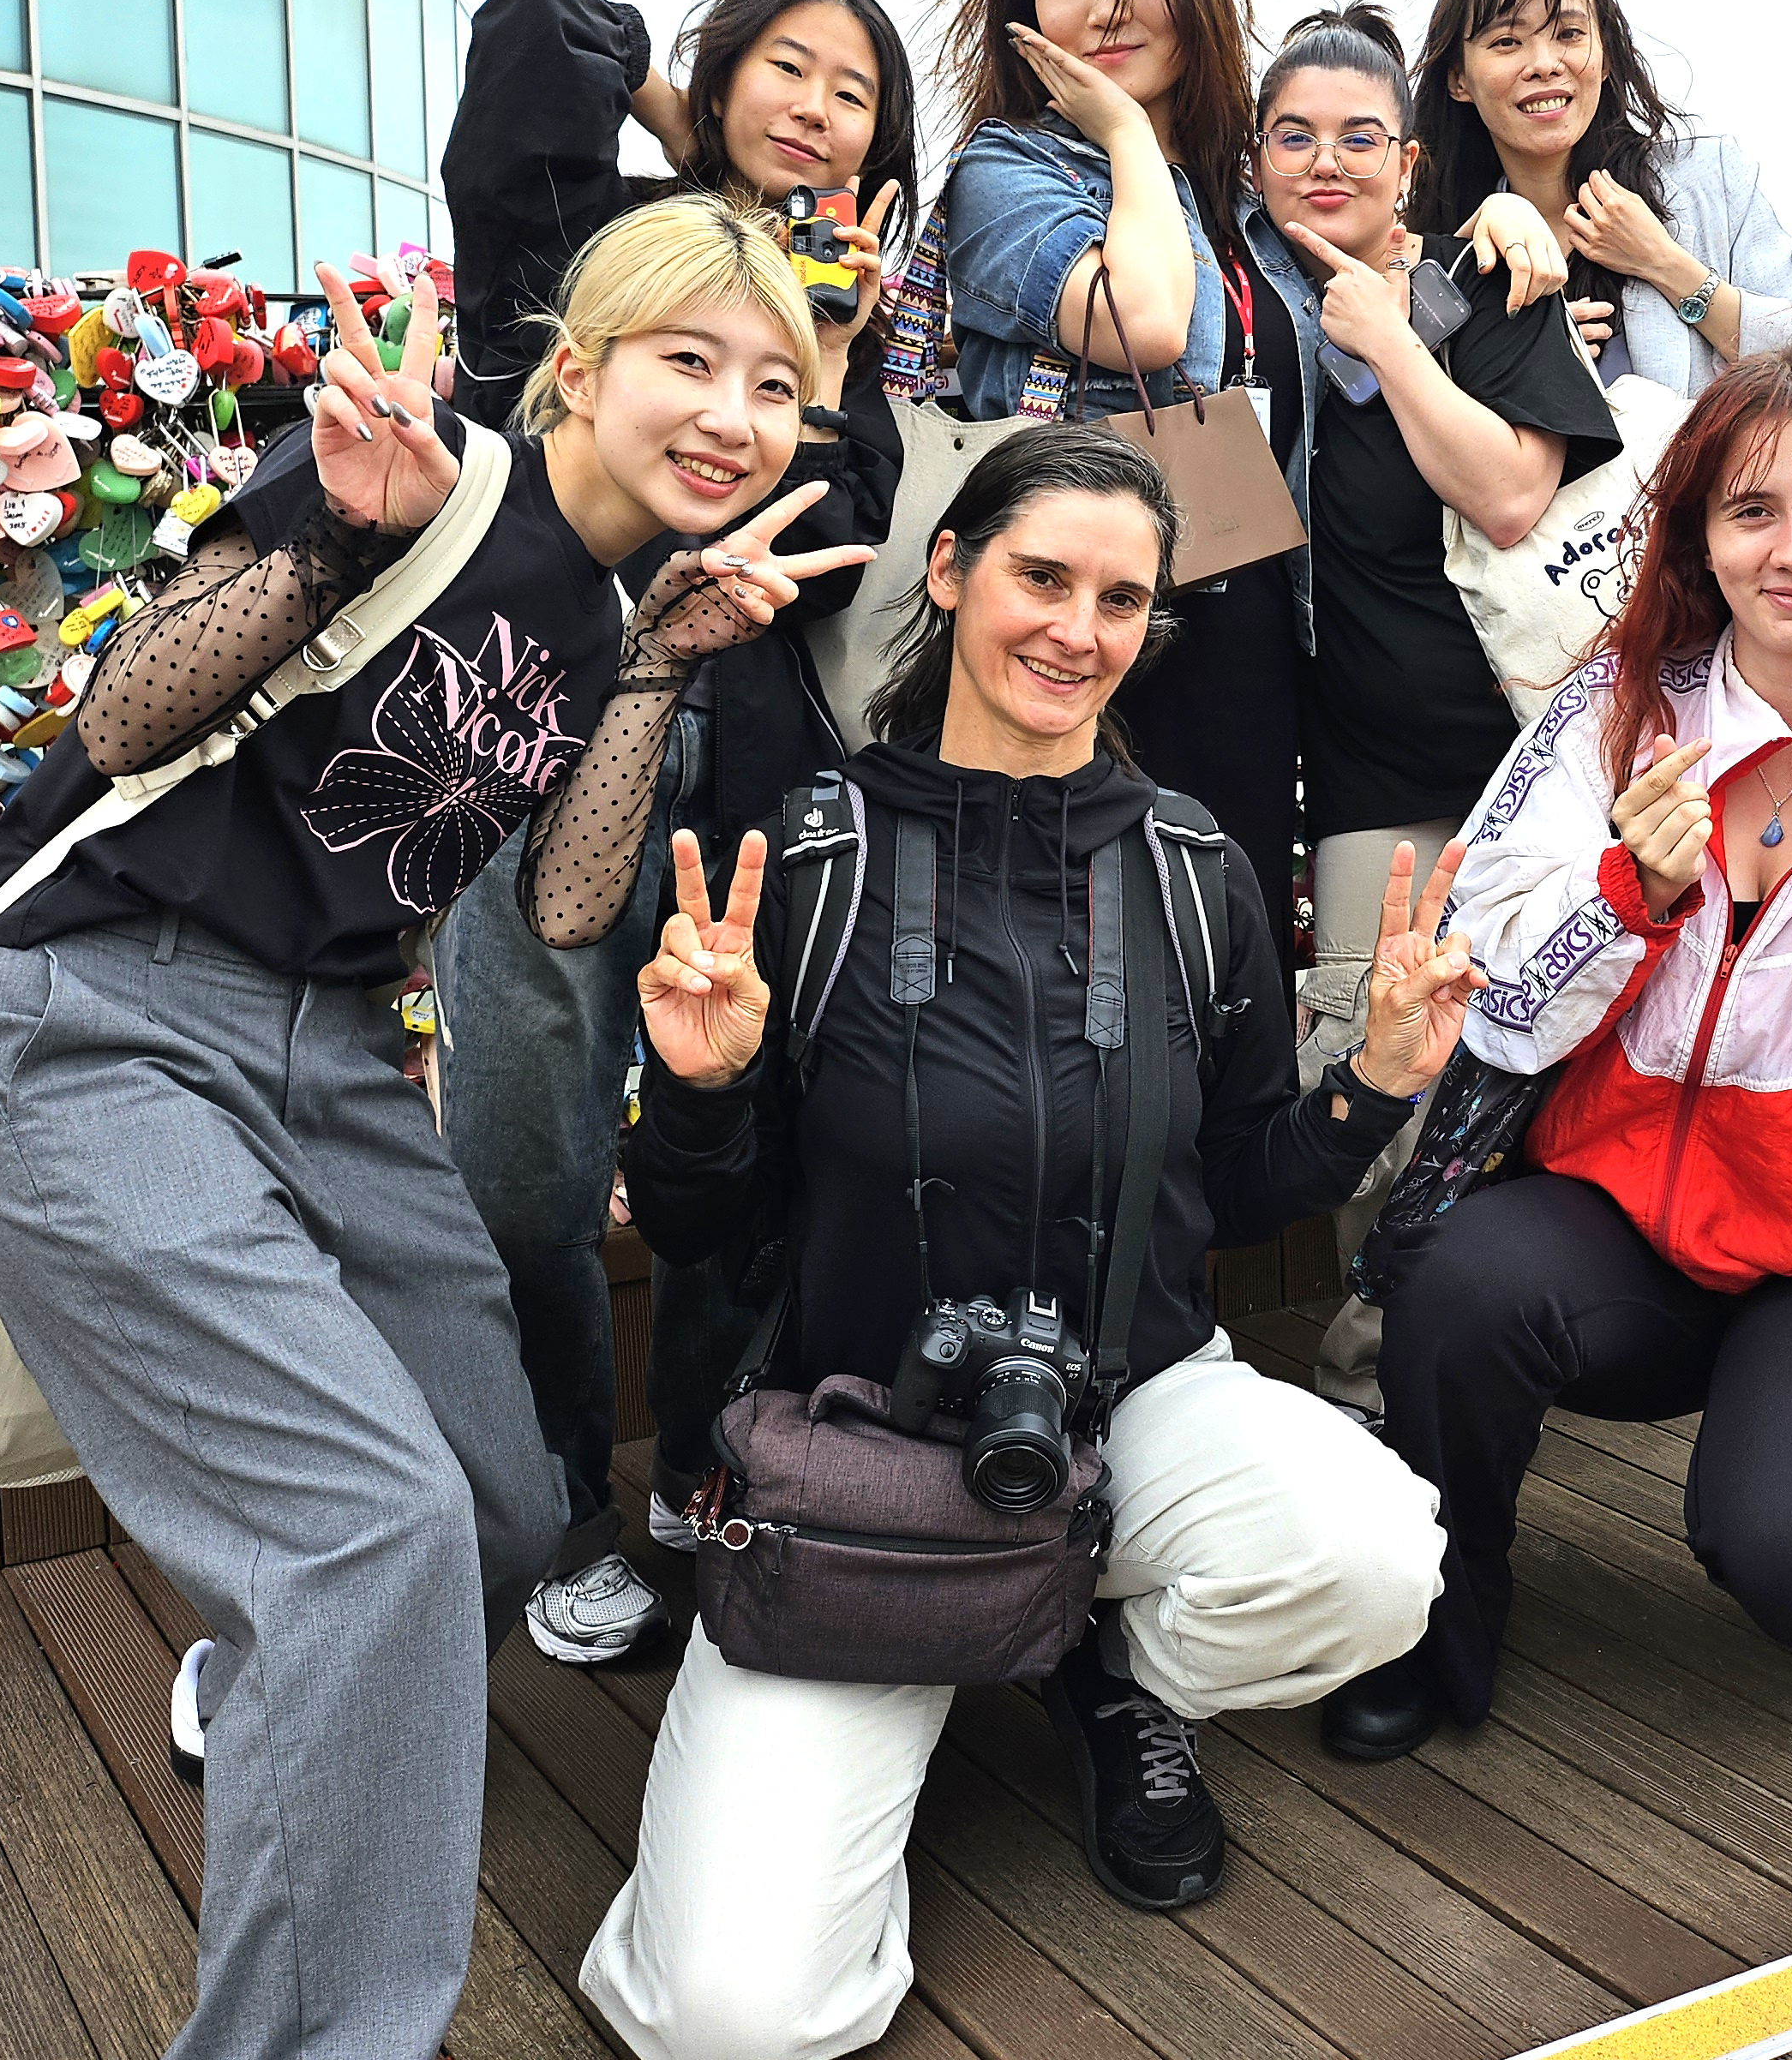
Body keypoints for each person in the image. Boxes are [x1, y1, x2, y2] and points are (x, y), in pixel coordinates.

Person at [0, 198, 868, 2060]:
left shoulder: (613, 608)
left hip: (338, 1058)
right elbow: (119, 716)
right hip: (102, 1012)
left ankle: (266, 1661)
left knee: (511, 1507)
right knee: (369, 1536)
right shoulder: (419, 473)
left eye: (775, 387)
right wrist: (330, 534)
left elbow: (577, 901)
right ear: (582, 371)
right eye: (690, 362)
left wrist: (660, 662)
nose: (732, 416)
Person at [579, 426, 1469, 2060]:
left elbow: (1245, 1182)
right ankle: (971, 1639)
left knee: (1369, 1559)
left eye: (1122, 597)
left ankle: (1105, 1657)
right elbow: (710, 1227)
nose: (1078, 627)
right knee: (723, 2017)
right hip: (858, 1452)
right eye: (1041, 576)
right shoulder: (813, 855)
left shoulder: (1197, 866)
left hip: (1132, 1399)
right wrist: (694, 1095)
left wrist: (1375, 1088)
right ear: (950, 571)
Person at [1329, 342, 1792, 1762]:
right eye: (1751, 510)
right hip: (1632, 1235)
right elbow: (1492, 1001)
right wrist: (1628, 891)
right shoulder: (1610, 718)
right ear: (1698, 539)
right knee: (1459, 1284)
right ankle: (1431, 1629)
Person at [435, 0, 913, 1661]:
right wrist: (684, 130)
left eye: (853, 91)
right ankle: (555, 1500)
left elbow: (844, 545)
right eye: (785, 66)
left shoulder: (842, 325)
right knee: (520, 1153)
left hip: (753, 767)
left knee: (737, 1136)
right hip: (540, 739)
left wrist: (828, 347)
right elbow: (533, 7)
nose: (816, 109)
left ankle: (702, 1474)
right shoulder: (604, 242)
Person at [1238, 3, 1622, 1414]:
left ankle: (1526, 1341)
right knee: (1365, 1052)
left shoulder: (1488, 287)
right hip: (1358, 766)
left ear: (1409, 159)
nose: (1324, 162)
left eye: (1358, 137)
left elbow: (1514, 488)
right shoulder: (1242, 305)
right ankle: (1374, 1365)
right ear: (1254, 156)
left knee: (1554, 1053)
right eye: (1293, 135)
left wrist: (1396, 338)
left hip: (1534, 757)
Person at [932, 0, 1301, 889]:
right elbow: (1146, 323)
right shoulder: (1008, 172)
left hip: (1239, 620)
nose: (1104, 8)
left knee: (1221, 967)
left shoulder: (1243, 200)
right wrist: (1129, 137)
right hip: (1077, 615)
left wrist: (1502, 223)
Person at [1408, 0, 1792, 395]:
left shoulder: (1708, 179)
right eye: (1507, 42)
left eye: (1569, 33)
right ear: (1458, 80)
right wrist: (1527, 352)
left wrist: (1666, 264)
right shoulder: (1442, 253)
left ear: (1605, 55)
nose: (1546, 64)